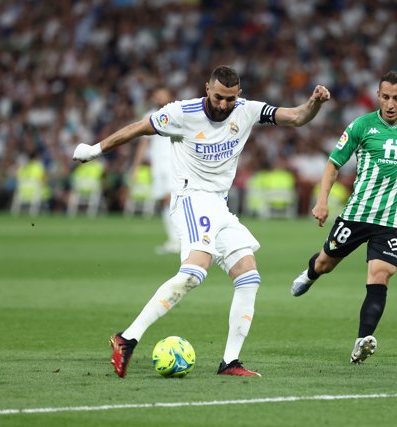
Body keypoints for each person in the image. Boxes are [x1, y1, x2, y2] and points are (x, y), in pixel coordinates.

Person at [73, 65, 330, 377]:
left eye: (230, 99)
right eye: (219, 97)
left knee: (248, 275)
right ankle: (126, 339)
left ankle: (230, 362)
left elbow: (297, 117)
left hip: (218, 205)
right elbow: (138, 128)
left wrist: (314, 102)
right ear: (207, 89)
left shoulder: (247, 110)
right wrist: (95, 150)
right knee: (194, 272)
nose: (224, 105)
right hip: (191, 198)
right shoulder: (182, 113)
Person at [290, 71, 397, 363]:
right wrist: (322, 201)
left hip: (391, 221)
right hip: (356, 214)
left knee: (381, 275)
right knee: (326, 263)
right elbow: (333, 164)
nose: (391, 104)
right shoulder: (361, 126)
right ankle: (311, 273)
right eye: (386, 97)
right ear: (378, 96)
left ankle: (362, 339)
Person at [129, 88, 179, 254]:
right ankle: (174, 239)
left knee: (172, 199)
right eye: (157, 96)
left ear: (169, 97)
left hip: (174, 164)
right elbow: (143, 144)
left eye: (162, 96)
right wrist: (135, 167)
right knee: (164, 202)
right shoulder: (149, 116)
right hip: (158, 166)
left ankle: (179, 239)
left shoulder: (177, 113)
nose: (159, 99)